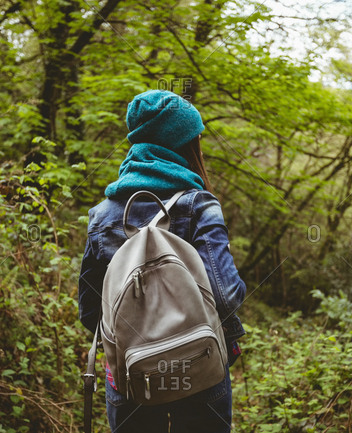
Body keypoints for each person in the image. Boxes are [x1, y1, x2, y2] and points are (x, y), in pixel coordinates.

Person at [78, 89, 246, 433]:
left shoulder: (101, 215)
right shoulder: (200, 205)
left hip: (129, 371)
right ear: (183, 144)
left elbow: (90, 310)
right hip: (199, 365)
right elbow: (227, 295)